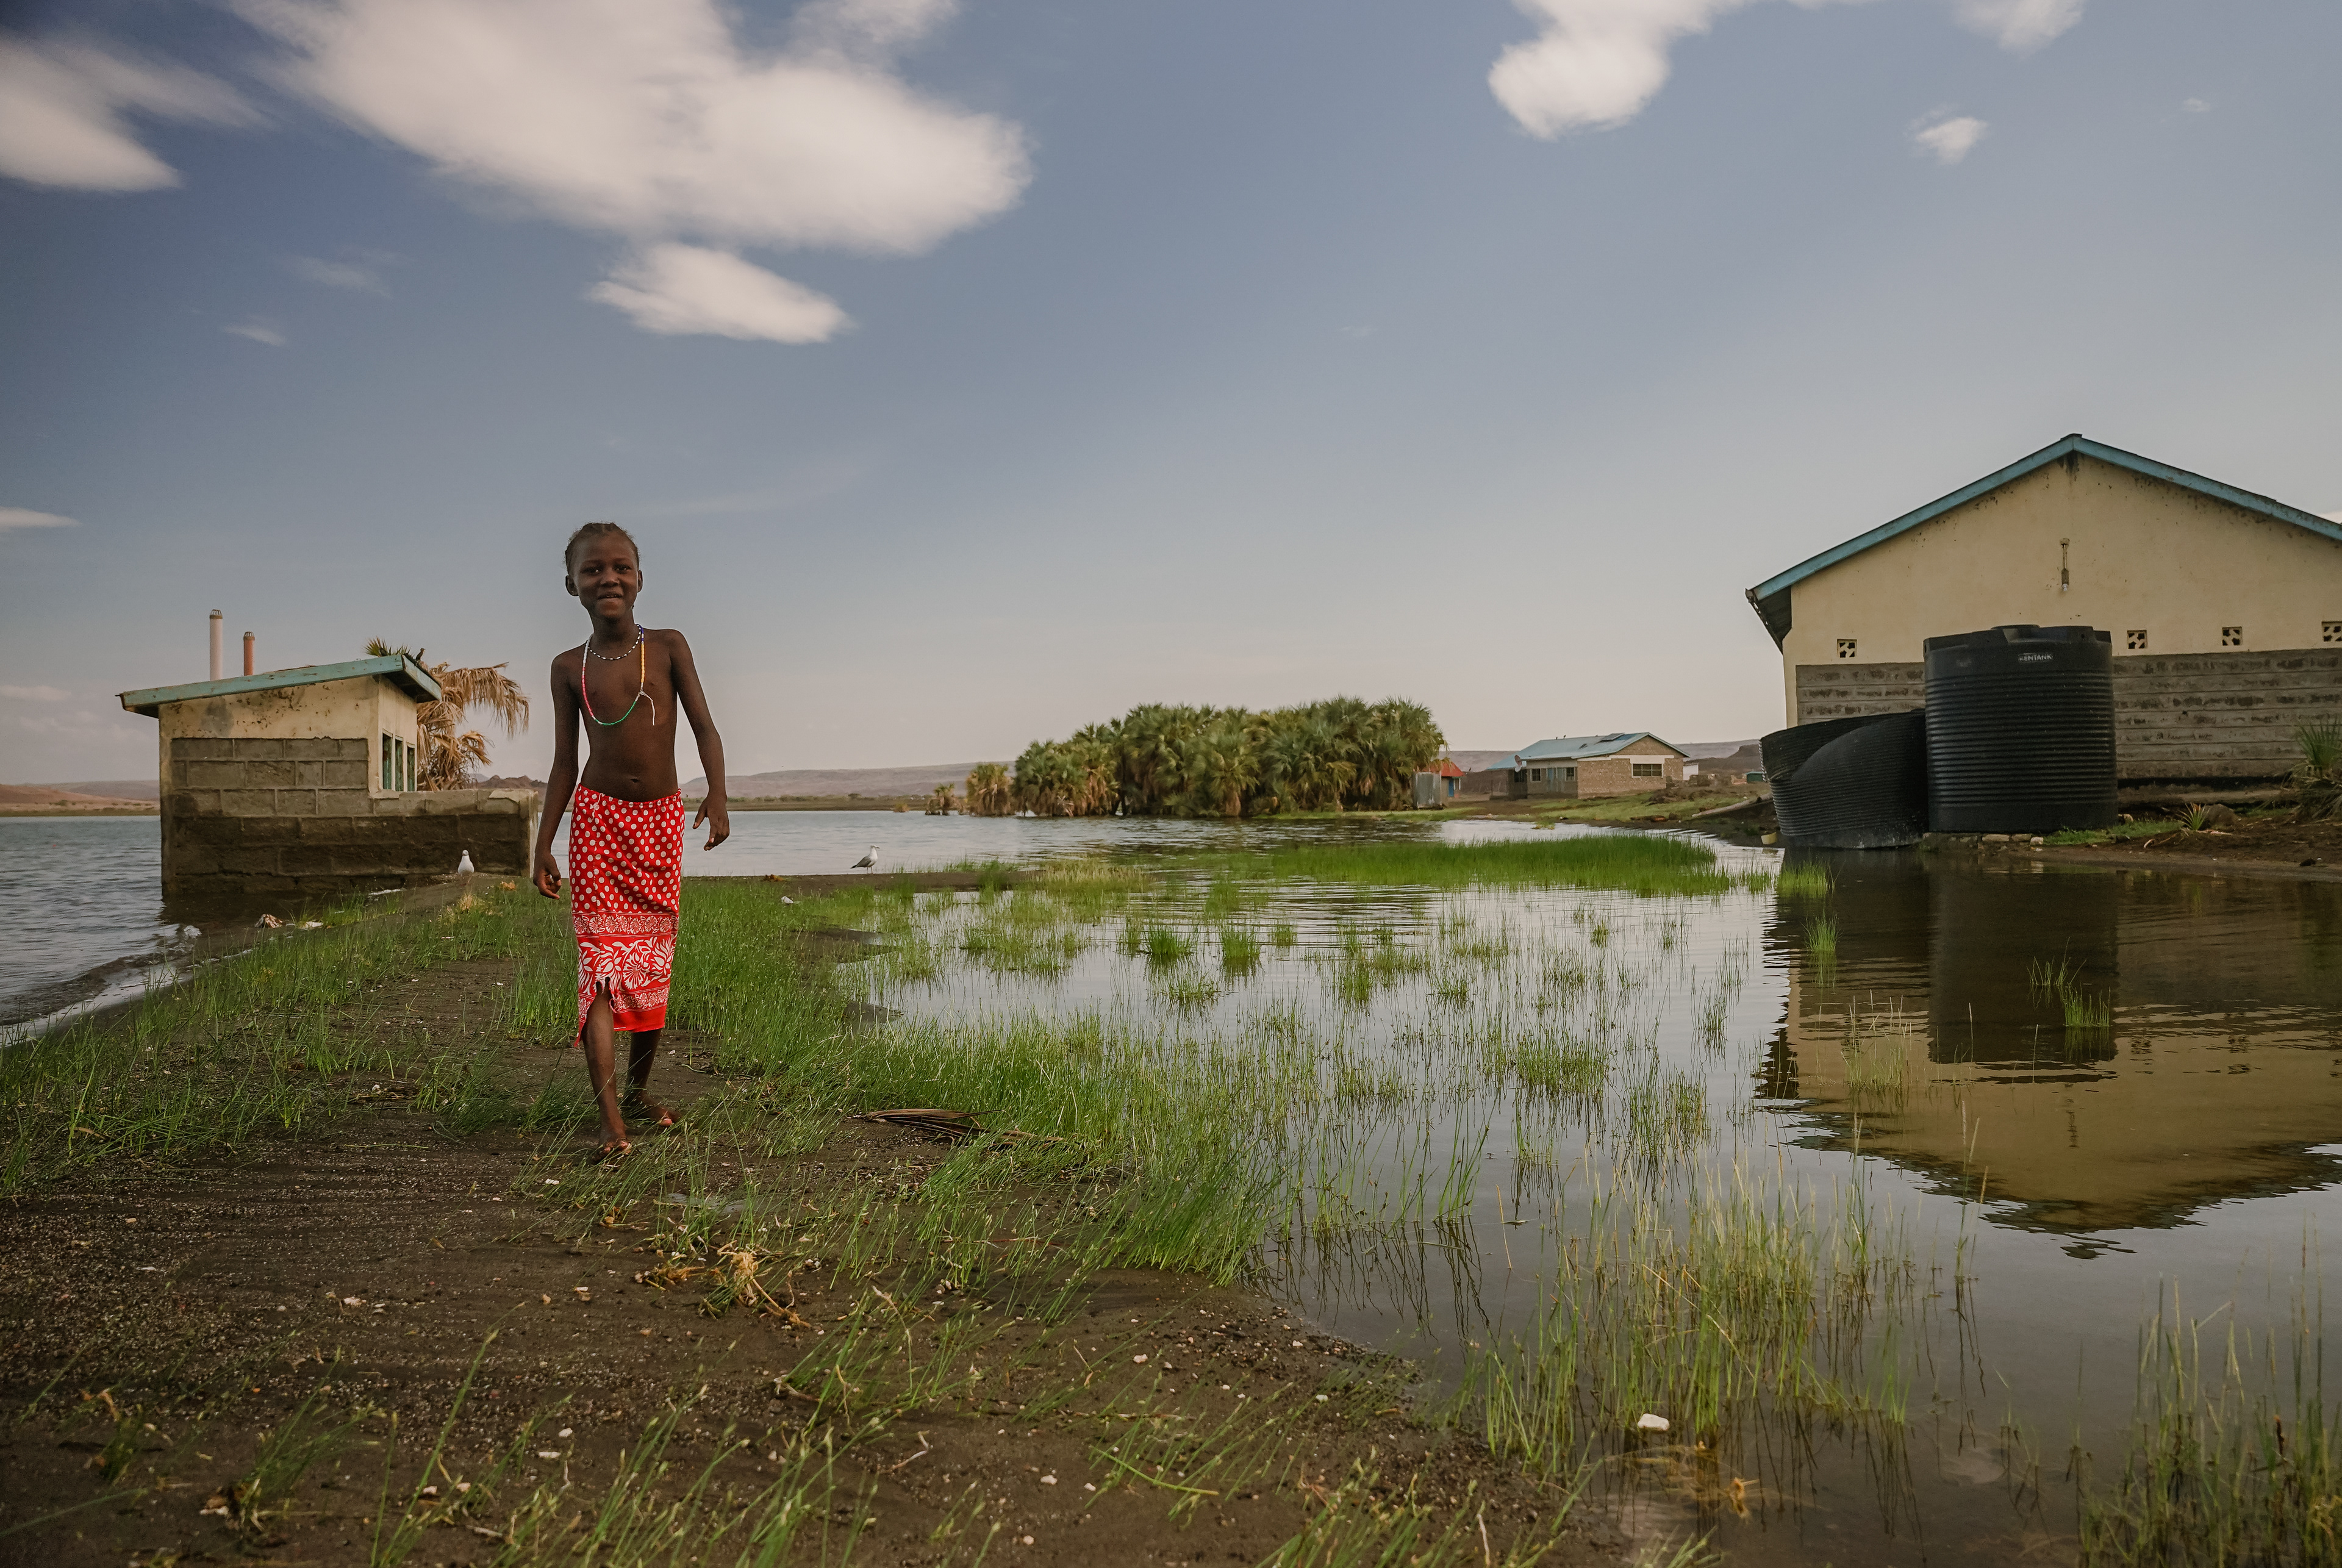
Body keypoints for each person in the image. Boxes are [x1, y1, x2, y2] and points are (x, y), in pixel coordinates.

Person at [531, 521, 729, 1157]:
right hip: (597, 823)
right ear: (572, 586)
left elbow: (705, 727)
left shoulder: (668, 647)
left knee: (651, 969)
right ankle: (610, 1120)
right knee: (602, 972)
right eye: (593, 571)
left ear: (640, 579)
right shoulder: (569, 668)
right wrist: (543, 843)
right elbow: (565, 762)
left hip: (660, 824)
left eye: (620, 568)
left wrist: (718, 794)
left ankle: (640, 1093)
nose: (607, 578)